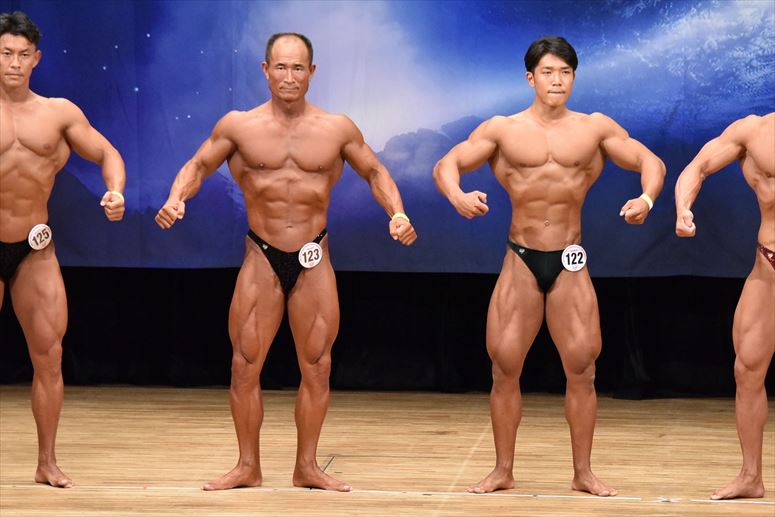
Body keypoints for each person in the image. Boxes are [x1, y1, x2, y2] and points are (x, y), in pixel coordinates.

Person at [155, 32, 417, 492]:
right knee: (244, 363)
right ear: (265, 70)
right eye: (280, 66)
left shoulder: (337, 128)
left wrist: (397, 214)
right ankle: (247, 466)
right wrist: (177, 198)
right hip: (262, 254)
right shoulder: (239, 126)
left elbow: (375, 171)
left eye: (298, 68)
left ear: (311, 72)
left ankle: (307, 467)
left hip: (314, 256)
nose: (289, 76)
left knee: (317, 365)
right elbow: (198, 165)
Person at [433, 36, 665, 495]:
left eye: (565, 72)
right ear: (530, 78)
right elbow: (447, 163)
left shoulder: (594, 128)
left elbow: (649, 161)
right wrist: (457, 195)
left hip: (570, 259)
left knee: (583, 368)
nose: (557, 81)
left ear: (573, 77)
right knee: (504, 366)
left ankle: (583, 473)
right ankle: (502, 470)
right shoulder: (503, 129)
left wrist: (647, 199)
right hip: (520, 257)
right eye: (547, 72)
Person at [0, 11, 126, 488]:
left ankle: (46, 462)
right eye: (5, 54)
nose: (14, 63)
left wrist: (115, 191)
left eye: (22, 55)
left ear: (37, 58)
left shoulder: (58, 113)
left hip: (34, 249)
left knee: (49, 356)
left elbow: (107, 153)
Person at [675, 113, 774, 500]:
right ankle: (750, 476)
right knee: (747, 369)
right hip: (768, 267)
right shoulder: (753, 131)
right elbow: (697, 167)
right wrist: (683, 208)